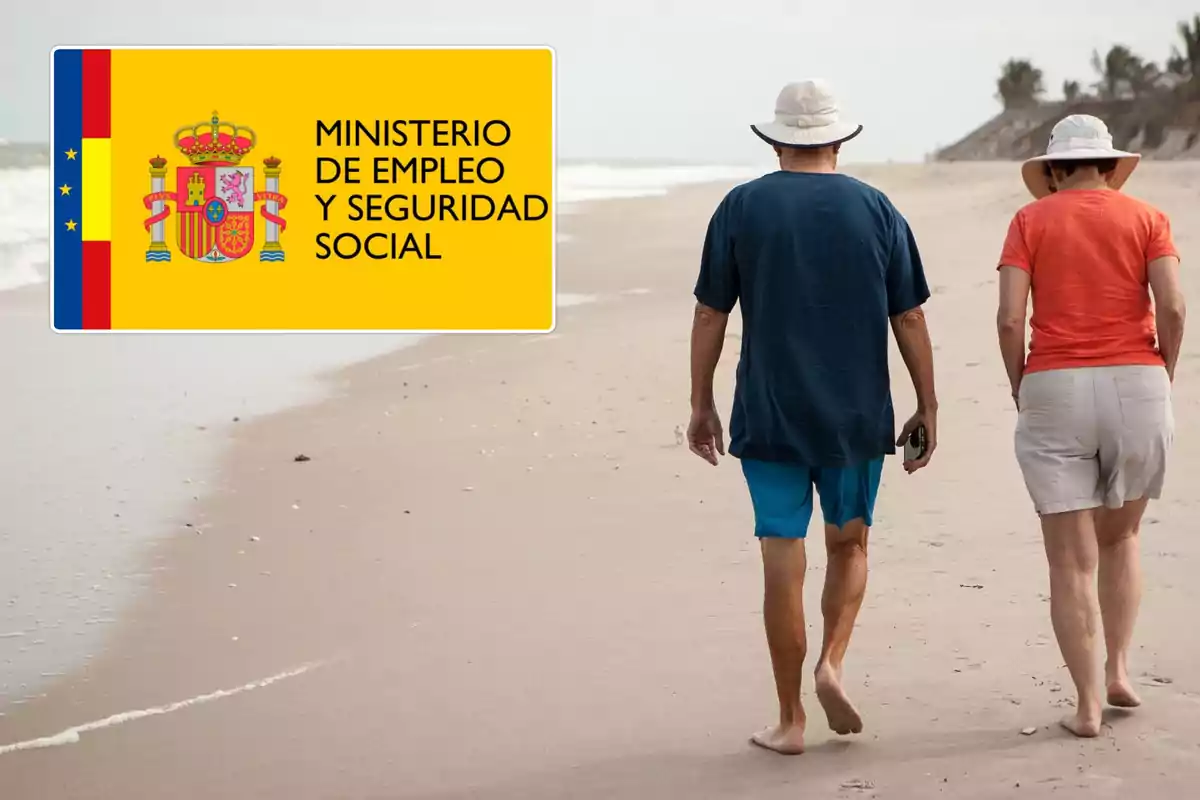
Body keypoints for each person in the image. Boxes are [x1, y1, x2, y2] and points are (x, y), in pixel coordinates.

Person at [687, 79, 938, 755]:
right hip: (856, 414)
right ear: (839, 138)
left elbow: (712, 311)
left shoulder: (741, 207)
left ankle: (791, 719)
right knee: (849, 544)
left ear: (775, 140)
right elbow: (908, 314)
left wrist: (701, 401)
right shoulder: (877, 209)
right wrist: (928, 403)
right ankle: (832, 661)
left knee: (781, 551)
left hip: (769, 410)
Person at [996, 114, 1185, 738]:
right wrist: (1165, 370)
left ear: (1053, 171)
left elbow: (1008, 318)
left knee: (1069, 561)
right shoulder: (1147, 218)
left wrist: (1022, 383)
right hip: (1138, 380)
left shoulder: (1030, 221)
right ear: (1109, 165)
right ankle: (1120, 670)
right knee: (1122, 537)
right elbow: (1174, 305)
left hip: (1055, 384)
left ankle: (1085, 705)